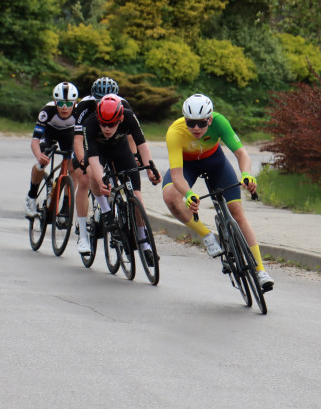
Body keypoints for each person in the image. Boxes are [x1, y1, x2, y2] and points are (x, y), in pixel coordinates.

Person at [161, 94, 274, 291]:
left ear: (210, 119)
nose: (196, 128)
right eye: (191, 123)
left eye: (202, 123)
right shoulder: (174, 132)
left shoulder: (220, 122)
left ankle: (260, 270)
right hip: (187, 166)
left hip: (215, 162)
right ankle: (207, 236)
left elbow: (241, 153)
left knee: (237, 212)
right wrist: (188, 194)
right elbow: (177, 174)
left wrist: (247, 174)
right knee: (171, 197)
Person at [82, 94, 161, 259]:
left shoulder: (129, 117)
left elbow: (142, 145)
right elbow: (94, 160)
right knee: (94, 177)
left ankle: (144, 241)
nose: (107, 128)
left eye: (111, 124)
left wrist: (150, 169)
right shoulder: (90, 123)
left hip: (121, 151)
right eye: (103, 124)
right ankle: (106, 210)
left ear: (121, 119)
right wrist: (101, 179)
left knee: (137, 197)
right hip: (99, 153)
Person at [72, 77, 134, 254]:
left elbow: (130, 135)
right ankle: (83, 235)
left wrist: (134, 157)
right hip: (86, 144)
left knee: (119, 171)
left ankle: (116, 209)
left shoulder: (123, 105)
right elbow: (77, 139)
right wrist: (84, 161)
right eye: (99, 100)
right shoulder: (84, 106)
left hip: (110, 144)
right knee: (85, 179)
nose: (104, 103)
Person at [25, 81, 79, 218]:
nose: (64, 108)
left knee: (72, 165)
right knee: (42, 161)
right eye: (60, 103)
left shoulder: (79, 113)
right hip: (49, 133)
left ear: (75, 103)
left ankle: (66, 206)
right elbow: (35, 141)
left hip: (68, 134)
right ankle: (31, 198)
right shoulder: (47, 111)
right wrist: (39, 156)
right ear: (55, 102)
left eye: (69, 104)